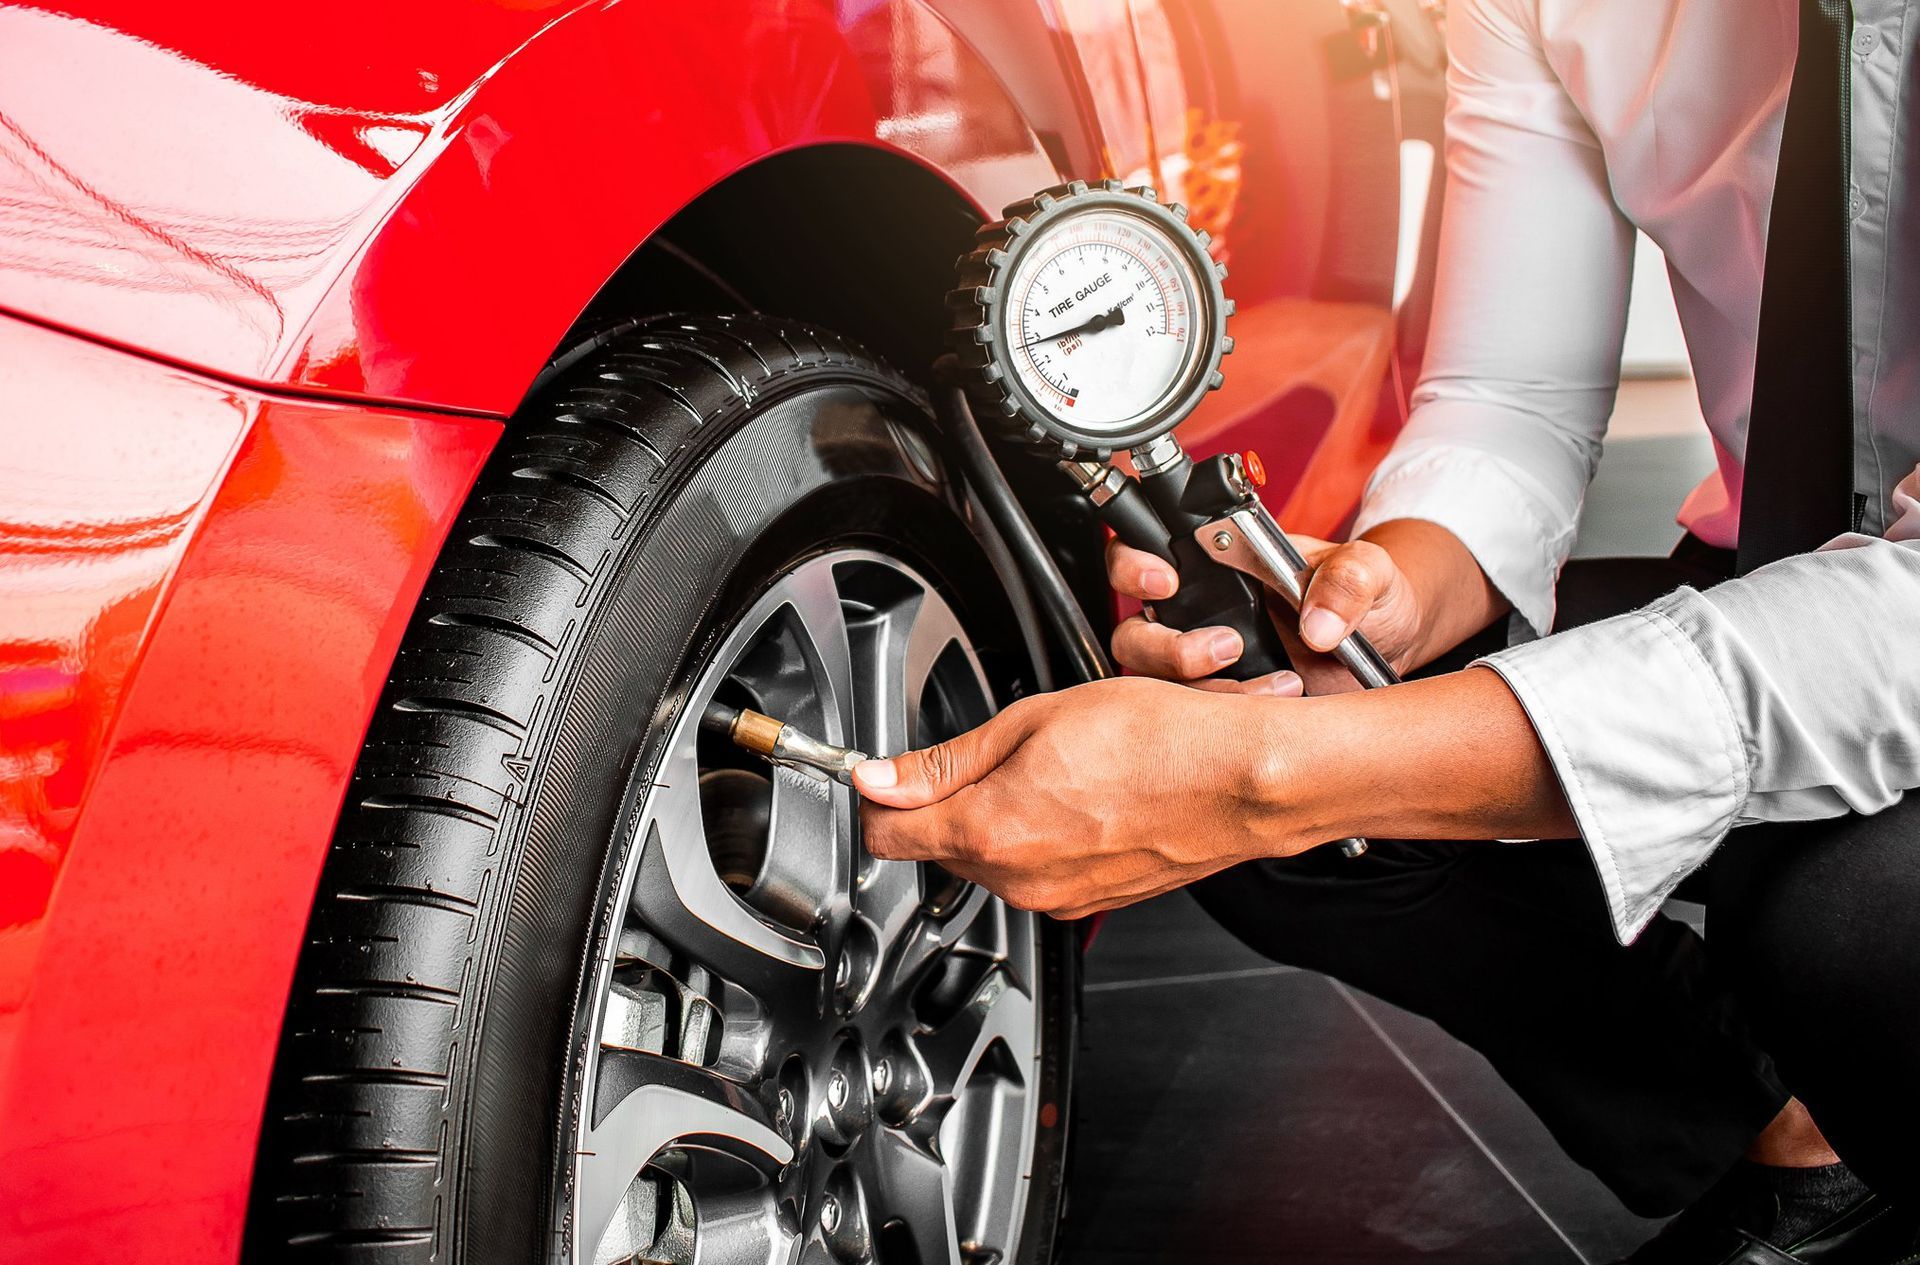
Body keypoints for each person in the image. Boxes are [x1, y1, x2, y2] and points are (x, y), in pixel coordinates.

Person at [853, 1, 1920, 1261]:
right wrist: (1389, 591)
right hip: (1772, 554)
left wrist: (1270, 780)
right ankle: (1800, 1145)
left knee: (1848, 925)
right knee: (1280, 750)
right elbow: (1509, 399)